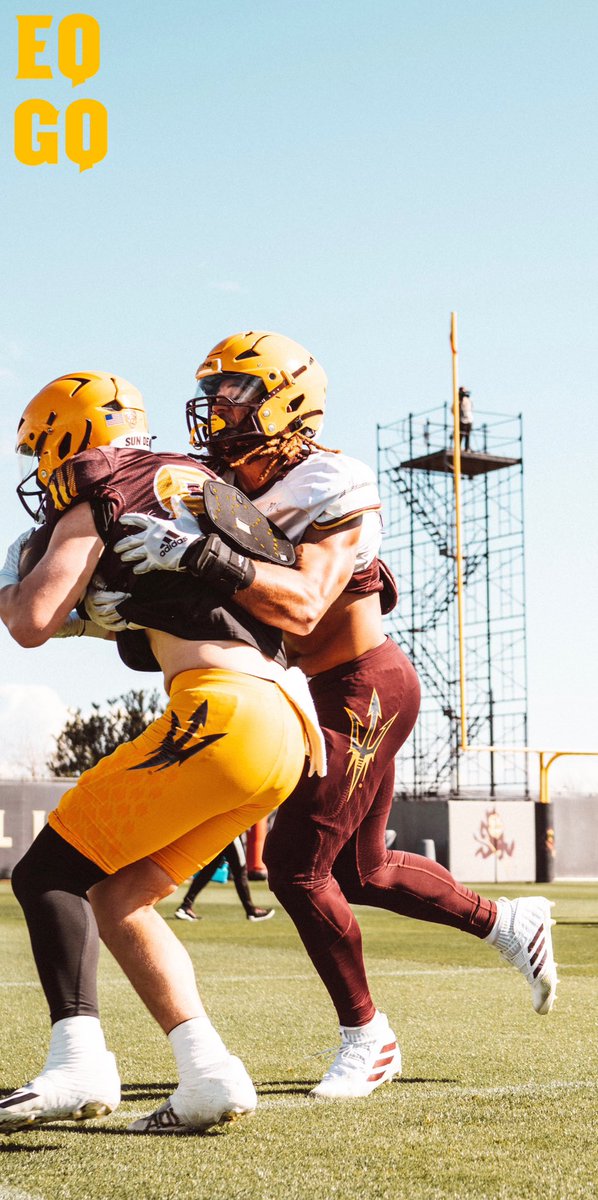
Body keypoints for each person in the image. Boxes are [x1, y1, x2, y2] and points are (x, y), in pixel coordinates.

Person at [93, 331, 557, 1105]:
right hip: (321, 689)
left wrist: (200, 558)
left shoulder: (331, 479)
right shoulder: (215, 479)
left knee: (299, 865)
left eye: (232, 393)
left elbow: (303, 604)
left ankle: (367, 1037)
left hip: (366, 682)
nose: (215, 409)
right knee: (361, 871)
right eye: (211, 394)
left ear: (284, 399)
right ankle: (510, 923)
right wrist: (117, 612)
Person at [0, 370, 323, 1135]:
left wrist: (12, 586)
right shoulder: (194, 476)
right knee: (121, 897)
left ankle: (79, 1063)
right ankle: (210, 1075)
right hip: (283, 726)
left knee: (48, 872)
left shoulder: (101, 481)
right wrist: (117, 620)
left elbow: (32, 619)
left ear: (69, 439)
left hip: (223, 712)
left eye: (42, 450)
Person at [175, 837, 275, 922]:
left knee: (209, 870)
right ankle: (251, 911)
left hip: (220, 830)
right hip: (232, 831)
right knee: (240, 871)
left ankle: (185, 906)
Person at [459, 387, 473, 451]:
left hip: (469, 419)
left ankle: (467, 447)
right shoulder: (459, 400)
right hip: (462, 420)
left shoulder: (469, 400)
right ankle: (458, 447)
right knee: (461, 434)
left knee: (467, 435)